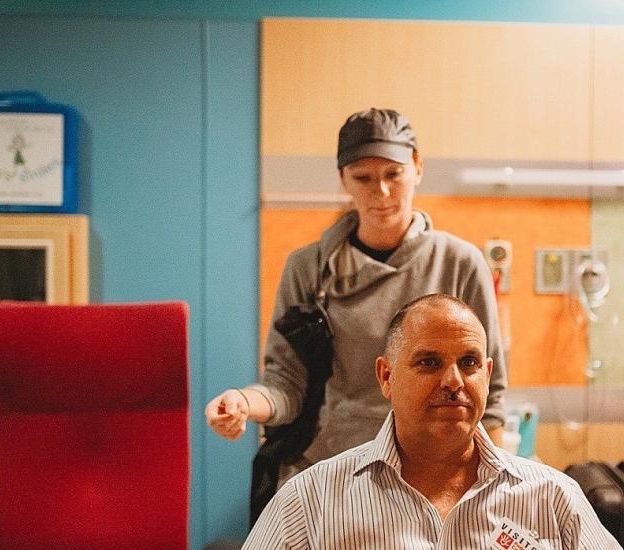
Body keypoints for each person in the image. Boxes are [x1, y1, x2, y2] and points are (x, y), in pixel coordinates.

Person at [197, 294, 624, 550]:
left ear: (487, 374)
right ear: (386, 377)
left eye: (469, 363)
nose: (453, 381)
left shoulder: (554, 499)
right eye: (429, 362)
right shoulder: (309, 501)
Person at [205, 108, 508, 475]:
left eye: (393, 174)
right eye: (362, 178)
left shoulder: (459, 263)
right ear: (343, 180)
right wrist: (242, 402)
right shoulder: (310, 269)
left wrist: (499, 482)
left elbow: (488, 395)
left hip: (433, 469)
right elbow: (286, 383)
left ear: (417, 168)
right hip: (332, 467)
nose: (380, 192)